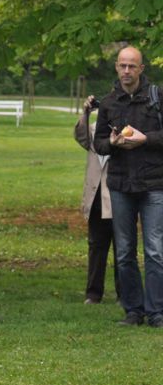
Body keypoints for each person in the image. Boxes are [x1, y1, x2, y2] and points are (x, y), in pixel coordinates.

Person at [93, 45, 163, 327]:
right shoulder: (109, 103)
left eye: (132, 66)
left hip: (154, 185)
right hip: (121, 185)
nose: (126, 71)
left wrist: (147, 139)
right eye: (122, 65)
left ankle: (157, 311)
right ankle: (133, 310)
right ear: (116, 67)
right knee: (124, 252)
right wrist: (112, 143)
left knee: (155, 250)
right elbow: (97, 143)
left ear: (141, 69)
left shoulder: (156, 98)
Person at [74, 95, 119, 305]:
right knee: (96, 246)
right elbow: (80, 138)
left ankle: (125, 293)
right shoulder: (93, 128)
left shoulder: (125, 130)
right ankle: (93, 293)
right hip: (96, 196)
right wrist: (85, 112)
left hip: (119, 195)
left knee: (123, 248)